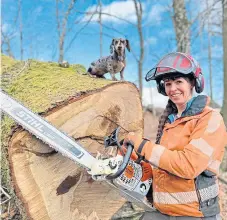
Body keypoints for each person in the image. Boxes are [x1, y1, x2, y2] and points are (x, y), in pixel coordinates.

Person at [123, 52, 227, 219]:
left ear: (193, 83)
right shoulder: (170, 122)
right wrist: (135, 157)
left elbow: (187, 166)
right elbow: (163, 165)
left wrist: (143, 146)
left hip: (195, 214)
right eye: (168, 83)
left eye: (179, 82)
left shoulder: (210, 119)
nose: (172, 89)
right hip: (164, 211)